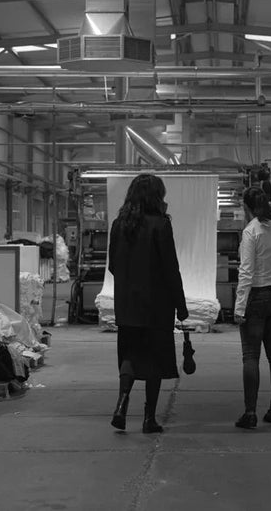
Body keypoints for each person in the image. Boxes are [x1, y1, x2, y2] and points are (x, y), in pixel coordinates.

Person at [108, 173, 189, 434]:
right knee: (154, 360)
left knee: (129, 355)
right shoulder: (161, 225)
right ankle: (148, 419)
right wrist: (181, 304)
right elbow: (170, 269)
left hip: (127, 305)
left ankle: (121, 406)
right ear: (157, 196)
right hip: (157, 305)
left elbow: (112, 266)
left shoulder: (119, 224)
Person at [234, 186, 271, 429]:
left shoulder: (251, 231)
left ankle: (250, 413)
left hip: (256, 297)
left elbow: (246, 271)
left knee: (251, 356)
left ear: (246, 207)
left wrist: (239, 306)